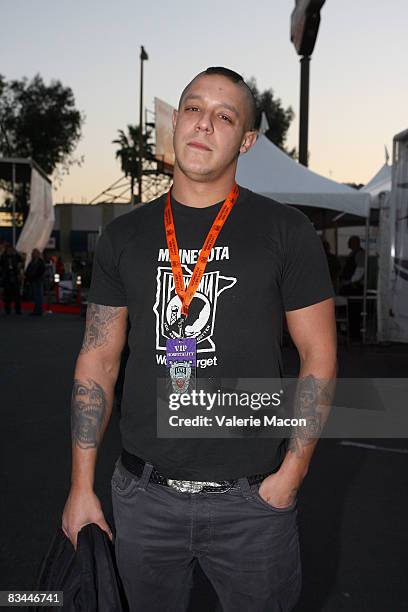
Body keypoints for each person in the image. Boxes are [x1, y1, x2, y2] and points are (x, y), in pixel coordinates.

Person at [62, 66, 337, 612]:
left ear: (247, 140)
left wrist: (291, 476)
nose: (204, 124)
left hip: (253, 504)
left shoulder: (287, 232)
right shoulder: (125, 236)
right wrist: (81, 486)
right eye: (193, 107)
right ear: (176, 121)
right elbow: (98, 361)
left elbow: (319, 357)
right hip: (143, 498)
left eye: (224, 115)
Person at [0, 244, 23, 315]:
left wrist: (16, 252)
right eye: (9, 249)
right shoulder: (3, 256)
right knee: (7, 295)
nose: (10, 251)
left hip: (15, 276)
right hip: (7, 277)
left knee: (17, 295)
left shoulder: (15, 256)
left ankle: (18, 310)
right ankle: (7, 309)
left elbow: (21, 259)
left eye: (11, 249)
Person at [25, 248, 45, 316]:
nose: (33, 254)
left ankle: (39, 311)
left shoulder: (40, 262)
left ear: (38, 254)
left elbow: (41, 271)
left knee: (39, 296)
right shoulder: (32, 262)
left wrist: (34, 276)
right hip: (33, 280)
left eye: (34, 253)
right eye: (33, 253)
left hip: (38, 280)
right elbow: (28, 270)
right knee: (36, 296)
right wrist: (28, 277)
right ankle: (36, 310)